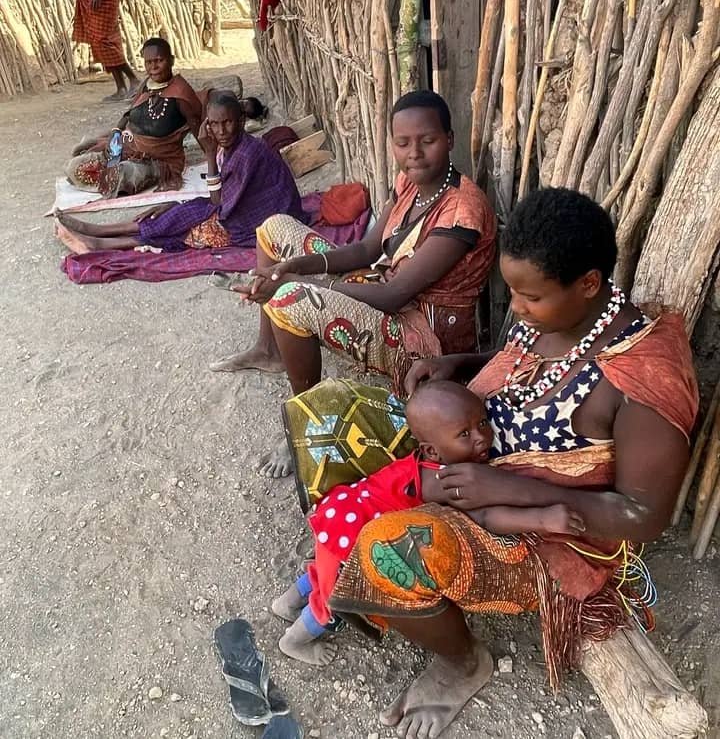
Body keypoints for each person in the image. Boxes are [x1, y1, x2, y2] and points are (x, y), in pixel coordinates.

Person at [282, 188, 698, 739]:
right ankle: (328, 574)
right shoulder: (560, 313)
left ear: (590, 284)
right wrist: (457, 362)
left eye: (530, 298)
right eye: (515, 293)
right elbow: (523, 359)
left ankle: (462, 662)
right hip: (472, 457)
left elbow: (643, 515)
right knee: (328, 422)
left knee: (388, 549)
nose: (518, 309)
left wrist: (498, 485)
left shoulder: (642, 383)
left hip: (544, 531)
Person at [212, 90, 497, 479]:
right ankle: (270, 350)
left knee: (290, 298)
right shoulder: (410, 184)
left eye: (427, 141)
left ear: (449, 139)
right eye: (402, 142)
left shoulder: (462, 211)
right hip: (383, 287)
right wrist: (295, 263)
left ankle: (306, 423)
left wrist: (294, 280)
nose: (414, 152)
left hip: (425, 336)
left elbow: (395, 295)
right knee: (273, 228)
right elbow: (365, 248)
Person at [272, 381, 583, 667]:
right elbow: (485, 516)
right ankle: (294, 640)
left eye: (483, 423)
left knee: (322, 572)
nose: (481, 437)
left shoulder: (435, 463)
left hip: (342, 515)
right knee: (330, 597)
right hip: (352, 534)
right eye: (465, 434)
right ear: (432, 450)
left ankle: (287, 604)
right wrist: (541, 518)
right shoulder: (451, 482)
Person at [55, 92, 305, 254]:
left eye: (228, 122)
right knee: (178, 212)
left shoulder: (246, 153)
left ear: (241, 121)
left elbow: (220, 202)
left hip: (261, 224)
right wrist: (177, 203)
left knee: (184, 227)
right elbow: (222, 197)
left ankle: (100, 241)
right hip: (246, 211)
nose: (221, 130)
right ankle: (102, 233)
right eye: (214, 124)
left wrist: (208, 154)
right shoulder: (234, 147)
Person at [64, 38, 202, 197]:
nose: (153, 67)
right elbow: (128, 115)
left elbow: (199, 129)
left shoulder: (181, 93)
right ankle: (108, 159)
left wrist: (216, 167)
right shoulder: (147, 85)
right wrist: (116, 134)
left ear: (171, 60)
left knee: (121, 176)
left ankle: (120, 170)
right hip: (129, 147)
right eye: (148, 63)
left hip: (159, 161)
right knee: (76, 167)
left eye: (159, 61)